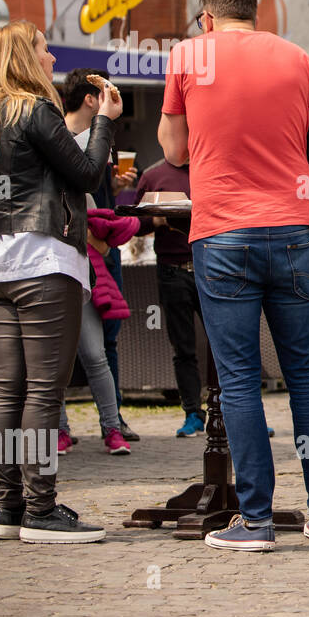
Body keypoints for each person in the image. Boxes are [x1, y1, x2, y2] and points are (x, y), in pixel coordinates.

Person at [159, 0, 309, 551]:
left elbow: (174, 151)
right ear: (253, 15)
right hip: (292, 231)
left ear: (207, 19)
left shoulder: (187, 55)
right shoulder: (295, 56)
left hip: (222, 233)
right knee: (307, 377)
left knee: (239, 381)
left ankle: (258, 521)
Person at [0, 20, 118, 543]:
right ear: (25, 59)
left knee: (5, 390)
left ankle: (8, 506)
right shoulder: (35, 107)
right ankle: (41, 508)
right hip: (45, 259)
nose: (52, 58)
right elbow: (87, 173)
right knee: (44, 392)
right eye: (44, 49)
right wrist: (104, 123)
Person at [61, 70, 141, 442]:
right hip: (73, 254)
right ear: (91, 98)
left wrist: (114, 184)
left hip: (102, 251)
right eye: (107, 92)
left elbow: (91, 187)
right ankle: (63, 428)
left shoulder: (99, 138)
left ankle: (113, 420)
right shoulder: (61, 138)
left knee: (106, 341)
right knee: (64, 351)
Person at [56, 194, 138, 455]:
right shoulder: (34, 186)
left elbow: (102, 248)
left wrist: (75, 232)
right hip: (50, 283)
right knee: (53, 362)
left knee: (95, 356)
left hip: (82, 285)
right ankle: (60, 431)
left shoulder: (83, 197)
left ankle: (112, 429)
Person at [132, 157, 204, 435]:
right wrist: (158, 219)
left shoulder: (208, 165)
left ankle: (242, 415)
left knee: (229, 345)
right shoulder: (152, 176)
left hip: (209, 266)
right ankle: (193, 413)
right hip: (172, 271)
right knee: (183, 347)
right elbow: (134, 224)